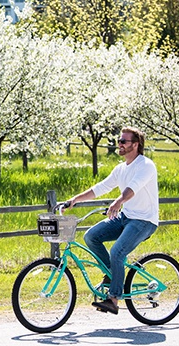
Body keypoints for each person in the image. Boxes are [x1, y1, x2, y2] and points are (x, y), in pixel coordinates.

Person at [64, 127, 159, 315]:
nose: (120, 144)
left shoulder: (146, 165)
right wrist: (76, 199)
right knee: (91, 236)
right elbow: (101, 187)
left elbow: (133, 188)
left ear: (135, 144)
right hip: (126, 217)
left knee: (117, 251)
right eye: (119, 141)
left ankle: (114, 299)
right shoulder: (121, 169)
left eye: (124, 141)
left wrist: (118, 201)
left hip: (144, 220)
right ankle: (112, 275)